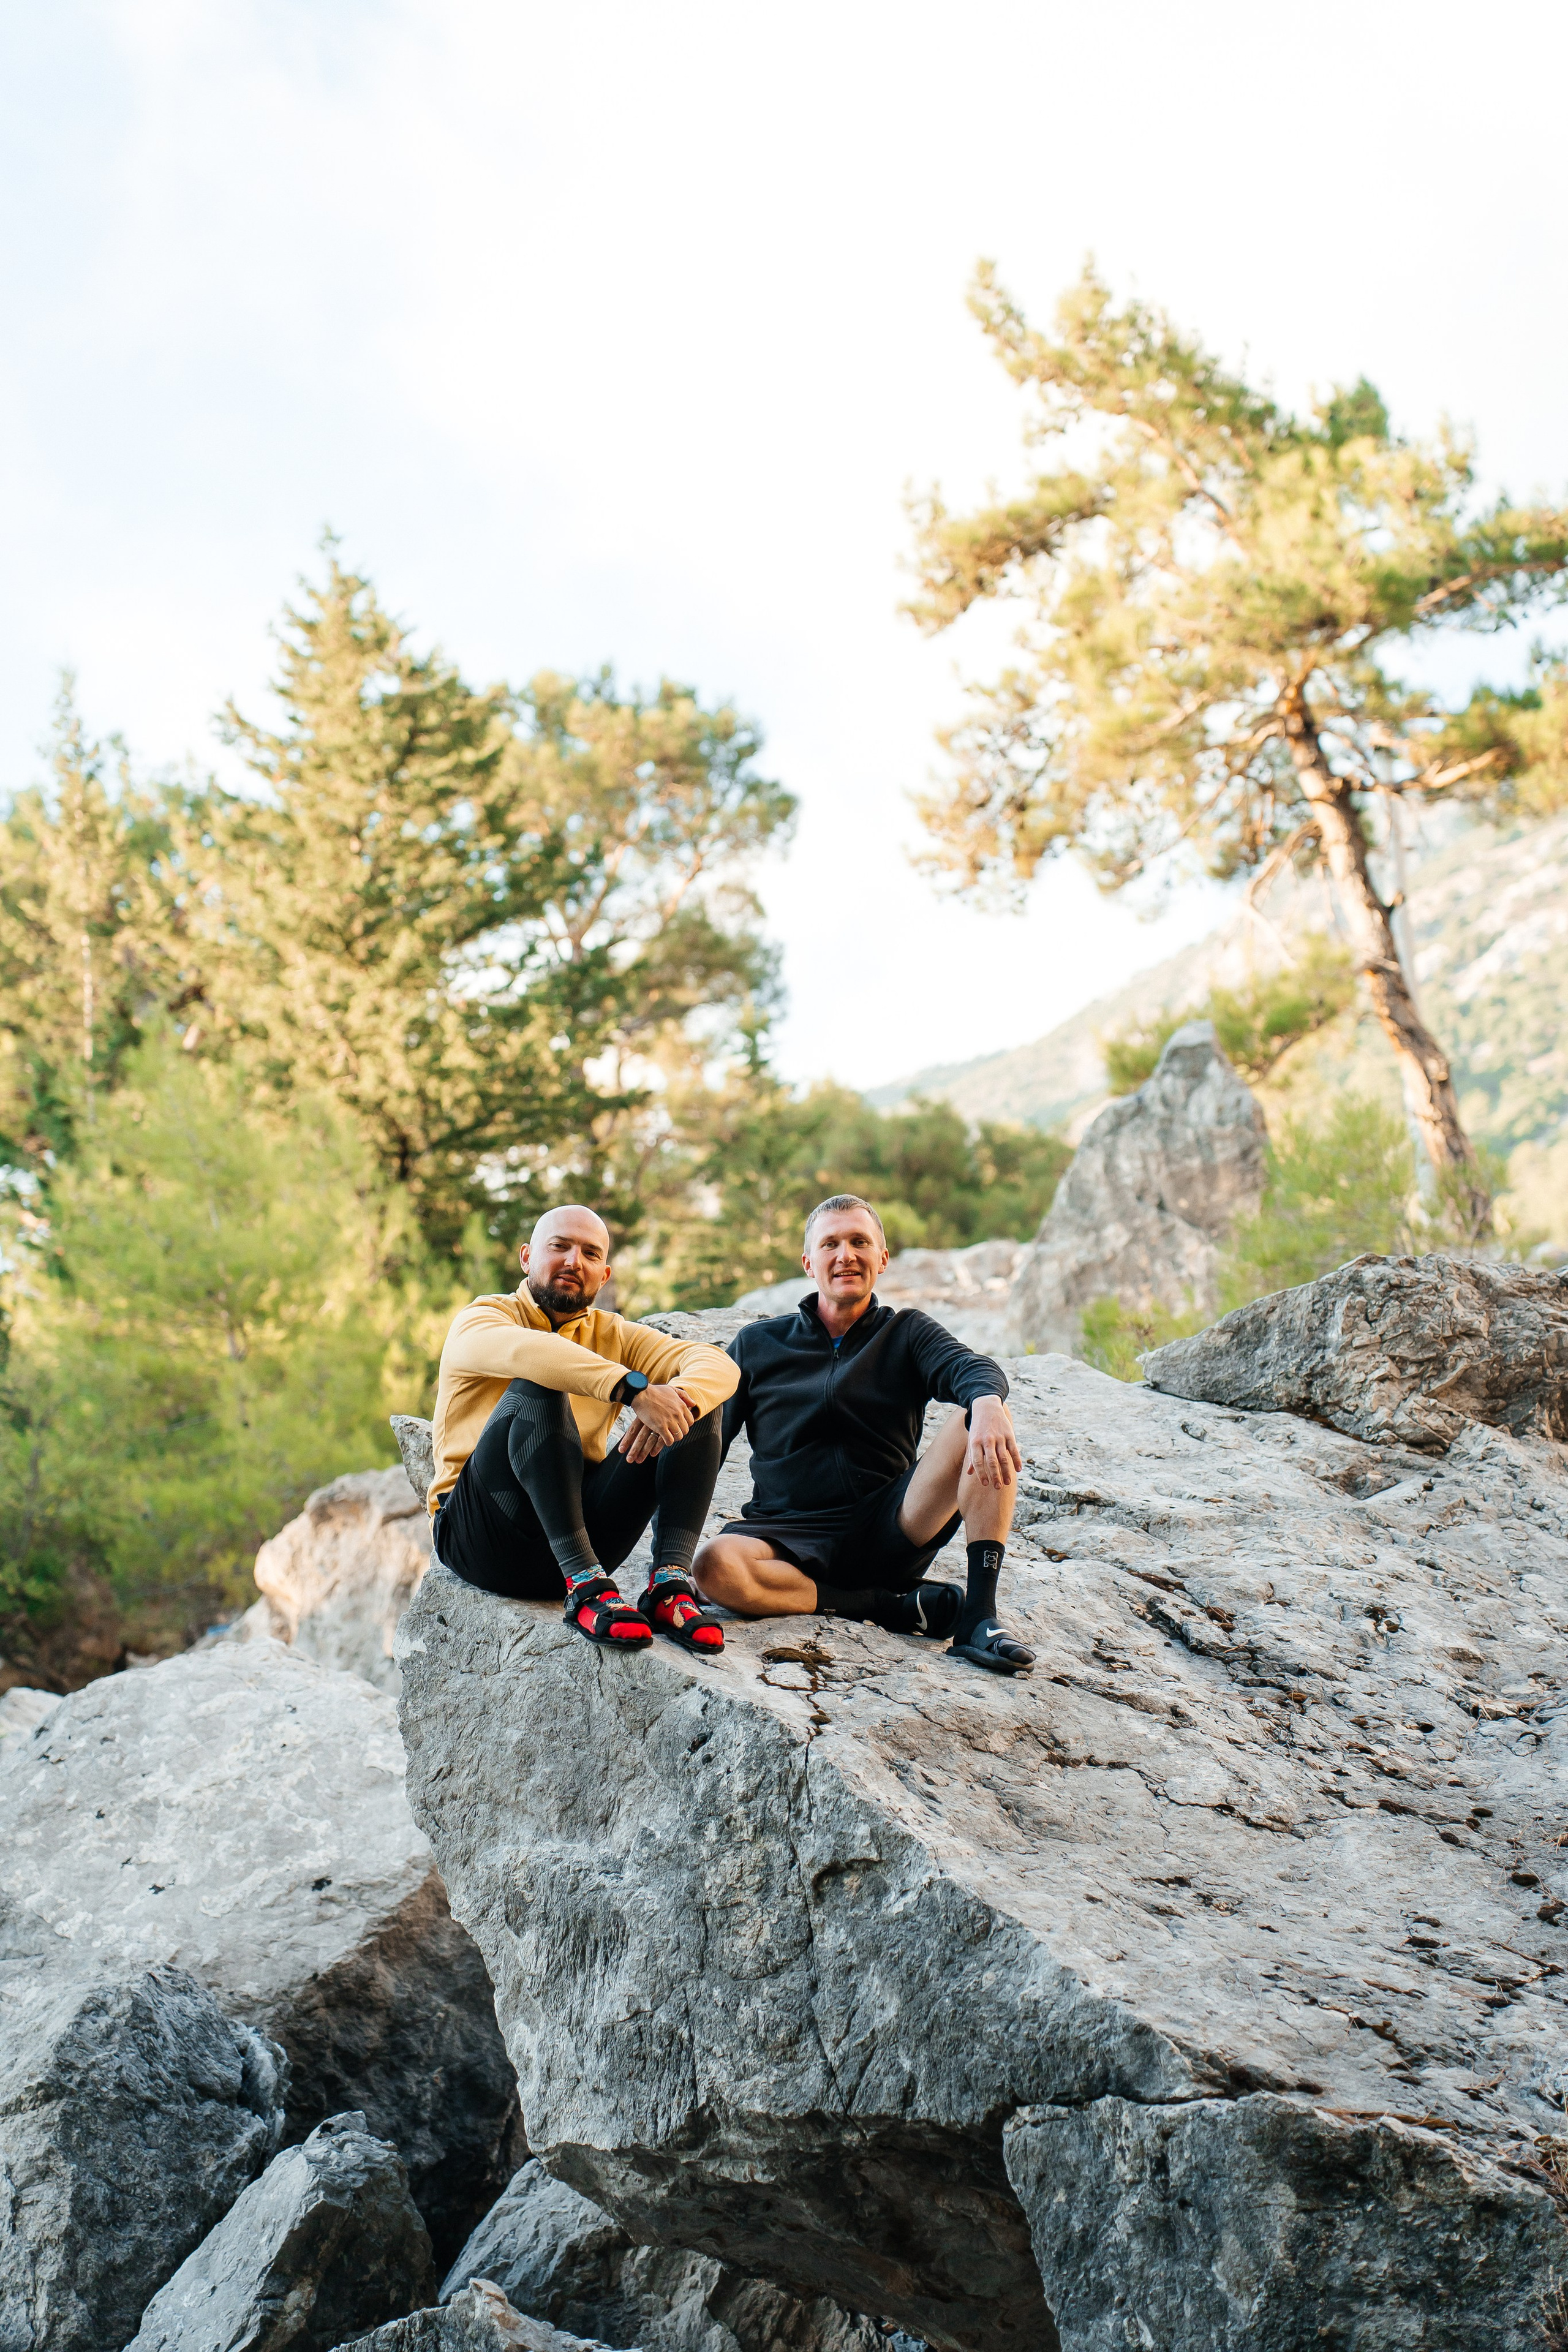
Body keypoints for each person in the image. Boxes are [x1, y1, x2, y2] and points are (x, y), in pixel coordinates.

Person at [694, 1194, 1035, 1675]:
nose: (846, 1255)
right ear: (809, 1262)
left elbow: (970, 1367)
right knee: (713, 1568)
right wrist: (668, 1563)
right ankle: (886, 1606)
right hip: (784, 1533)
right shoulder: (758, 1345)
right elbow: (702, 1442)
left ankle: (979, 1618)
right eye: (830, 1244)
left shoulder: (907, 1332)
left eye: (860, 1242)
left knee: (979, 1423)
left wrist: (987, 1403)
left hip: (889, 1523)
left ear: (882, 1258)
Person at [429, 1204, 738, 1653]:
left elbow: (717, 1364)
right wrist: (633, 1390)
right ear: (526, 1258)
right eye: (559, 1247)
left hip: (584, 1531)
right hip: (484, 1539)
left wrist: (679, 1399)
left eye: (590, 1254)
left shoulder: (615, 1335)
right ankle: (586, 1589)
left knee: (694, 1402)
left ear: (604, 1274)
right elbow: (533, 1354)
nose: (575, 1261)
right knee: (539, 1385)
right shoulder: (481, 1320)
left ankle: (669, 1586)